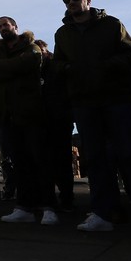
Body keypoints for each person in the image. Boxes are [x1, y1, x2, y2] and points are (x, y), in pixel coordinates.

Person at [51, 0, 131, 236]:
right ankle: (101, 213)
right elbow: (58, 64)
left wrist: (107, 66)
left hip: (116, 99)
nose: (71, 3)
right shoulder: (63, 33)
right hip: (84, 102)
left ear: (88, 0)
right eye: (67, 1)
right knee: (94, 159)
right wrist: (68, 70)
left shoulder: (112, 25)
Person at [0, 16, 52, 225]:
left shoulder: (30, 47)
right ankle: (24, 207)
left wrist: (5, 69)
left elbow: (30, 62)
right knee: (19, 163)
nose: (3, 28)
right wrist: (14, 68)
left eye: (6, 25)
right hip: (8, 115)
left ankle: (49, 206)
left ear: (15, 26)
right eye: (0, 26)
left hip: (31, 113)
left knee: (39, 160)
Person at [36, 39, 75, 213]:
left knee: (63, 161)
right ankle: (48, 200)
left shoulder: (57, 68)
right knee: (44, 163)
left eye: (41, 50)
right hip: (40, 122)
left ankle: (67, 199)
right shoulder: (32, 71)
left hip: (60, 120)